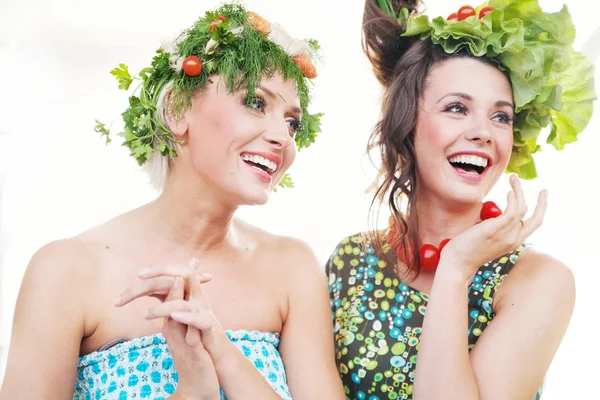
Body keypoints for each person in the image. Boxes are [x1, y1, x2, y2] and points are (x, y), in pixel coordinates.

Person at [0, 4, 344, 399]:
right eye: (256, 102)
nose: (283, 138)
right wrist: (194, 387)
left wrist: (222, 353)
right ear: (179, 109)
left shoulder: (294, 270)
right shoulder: (64, 272)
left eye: (291, 122)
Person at [327, 0, 595, 399]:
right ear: (406, 123)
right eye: (457, 108)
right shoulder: (350, 259)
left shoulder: (538, 280)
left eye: (501, 116)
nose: (484, 132)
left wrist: (455, 270)